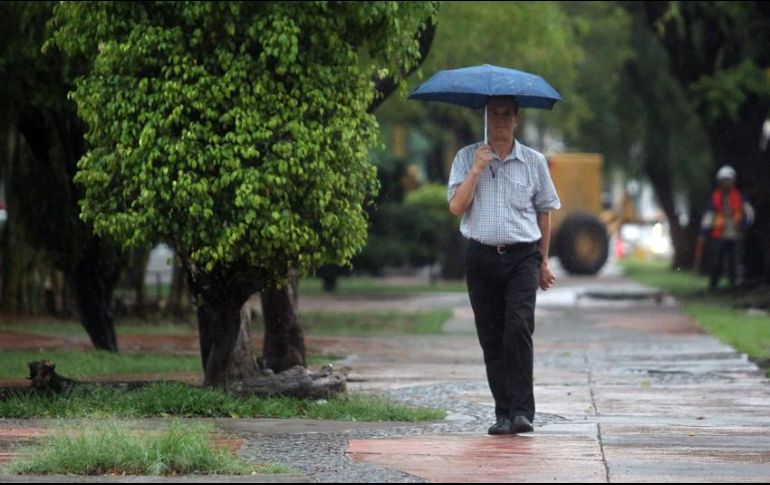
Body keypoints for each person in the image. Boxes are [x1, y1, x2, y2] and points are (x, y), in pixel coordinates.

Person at [447, 96, 560, 435]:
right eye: (493, 114)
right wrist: (477, 170)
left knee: (518, 327)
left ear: (517, 119)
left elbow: (545, 211)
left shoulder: (533, 161)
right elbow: (456, 206)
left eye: (506, 114)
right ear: (485, 118)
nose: (499, 120)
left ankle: (523, 411)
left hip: (522, 257)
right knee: (492, 336)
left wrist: (543, 260)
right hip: (480, 257)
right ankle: (503, 413)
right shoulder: (467, 157)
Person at [698, 165, 754, 290]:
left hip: (736, 233)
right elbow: (709, 215)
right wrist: (703, 232)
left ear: (733, 181)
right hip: (719, 233)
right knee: (716, 262)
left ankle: (733, 287)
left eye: (728, 180)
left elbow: (749, 213)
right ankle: (713, 286)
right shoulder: (715, 197)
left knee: (735, 262)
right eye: (724, 180)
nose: (726, 182)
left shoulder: (740, 196)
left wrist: (744, 226)